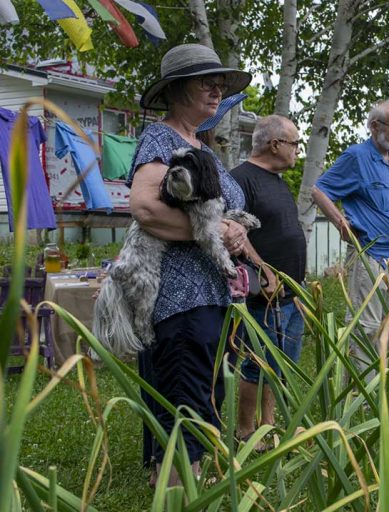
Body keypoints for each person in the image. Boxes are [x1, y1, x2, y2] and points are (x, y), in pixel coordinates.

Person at [129, 43, 273, 484]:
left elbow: (219, 217)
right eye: (205, 81)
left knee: (197, 389)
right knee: (186, 395)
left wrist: (237, 236)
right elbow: (146, 209)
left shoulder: (199, 144)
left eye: (220, 83)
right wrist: (216, 234)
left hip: (208, 296)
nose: (216, 89)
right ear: (175, 89)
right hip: (180, 298)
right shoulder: (160, 138)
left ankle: (171, 476)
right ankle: (179, 487)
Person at [311, 100, 389, 383]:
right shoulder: (356, 156)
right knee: (365, 324)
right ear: (374, 125)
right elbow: (319, 190)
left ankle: (382, 383)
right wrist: (341, 222)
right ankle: (359, 394)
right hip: (369, 255)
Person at [229, 115, 305, 445]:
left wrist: (297, 287)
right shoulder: (240, 180)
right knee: (258, 364)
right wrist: (263, 270)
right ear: (275, 144)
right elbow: (234, 231)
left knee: (281, 363)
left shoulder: (276, 179)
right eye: (295, 144)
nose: (298, 151)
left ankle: (269, 423)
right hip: (263, 293)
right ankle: (246, 430)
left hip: (289, 293)